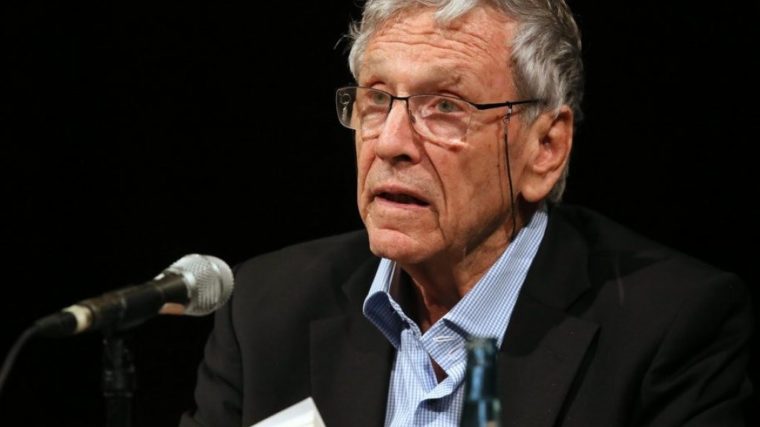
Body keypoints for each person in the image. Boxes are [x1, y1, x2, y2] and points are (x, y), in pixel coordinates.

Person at [180, 0, 754, 426]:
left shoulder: (666, 328)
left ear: (545, 148)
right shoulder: (264, 312)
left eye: (446, 106)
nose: (391, 142)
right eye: (377, 98)